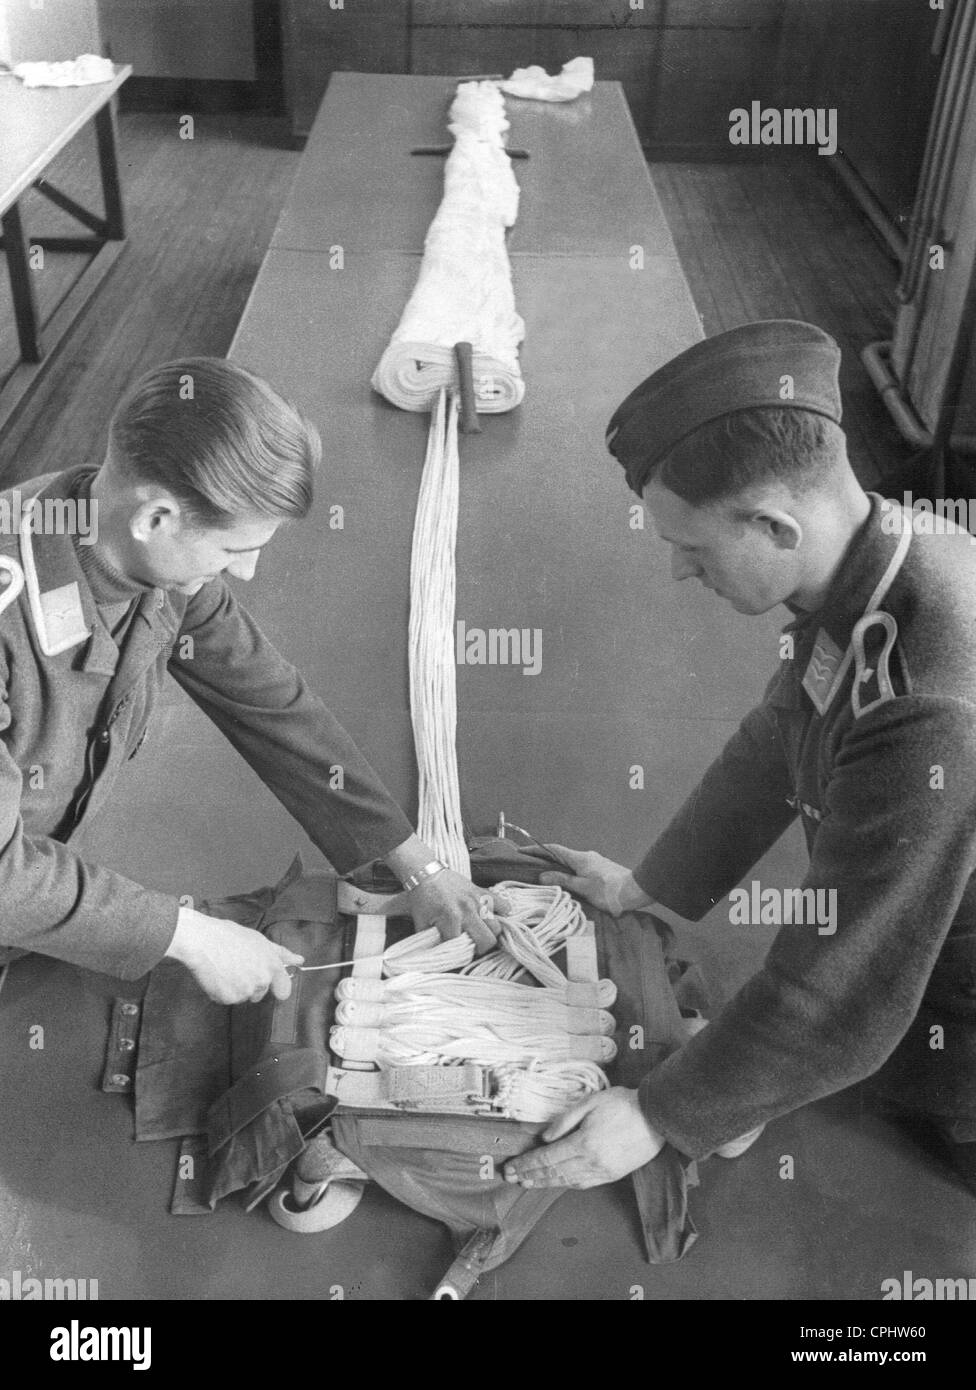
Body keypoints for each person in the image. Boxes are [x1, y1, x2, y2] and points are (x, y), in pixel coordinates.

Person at [503, 320, 976, 1196]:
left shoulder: (930, 701)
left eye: (693, 548)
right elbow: (779, 735)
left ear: (773, 524)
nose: (682, 574)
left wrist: (659, 1117)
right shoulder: (878, 556)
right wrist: (644, 887)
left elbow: (848, 987)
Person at [0, 357, 501, 1006]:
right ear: (156, 519)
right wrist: (192, 937)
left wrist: (412, 860)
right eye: (236, 550)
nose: (248, 572)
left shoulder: (138, 551)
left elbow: (268, 703)